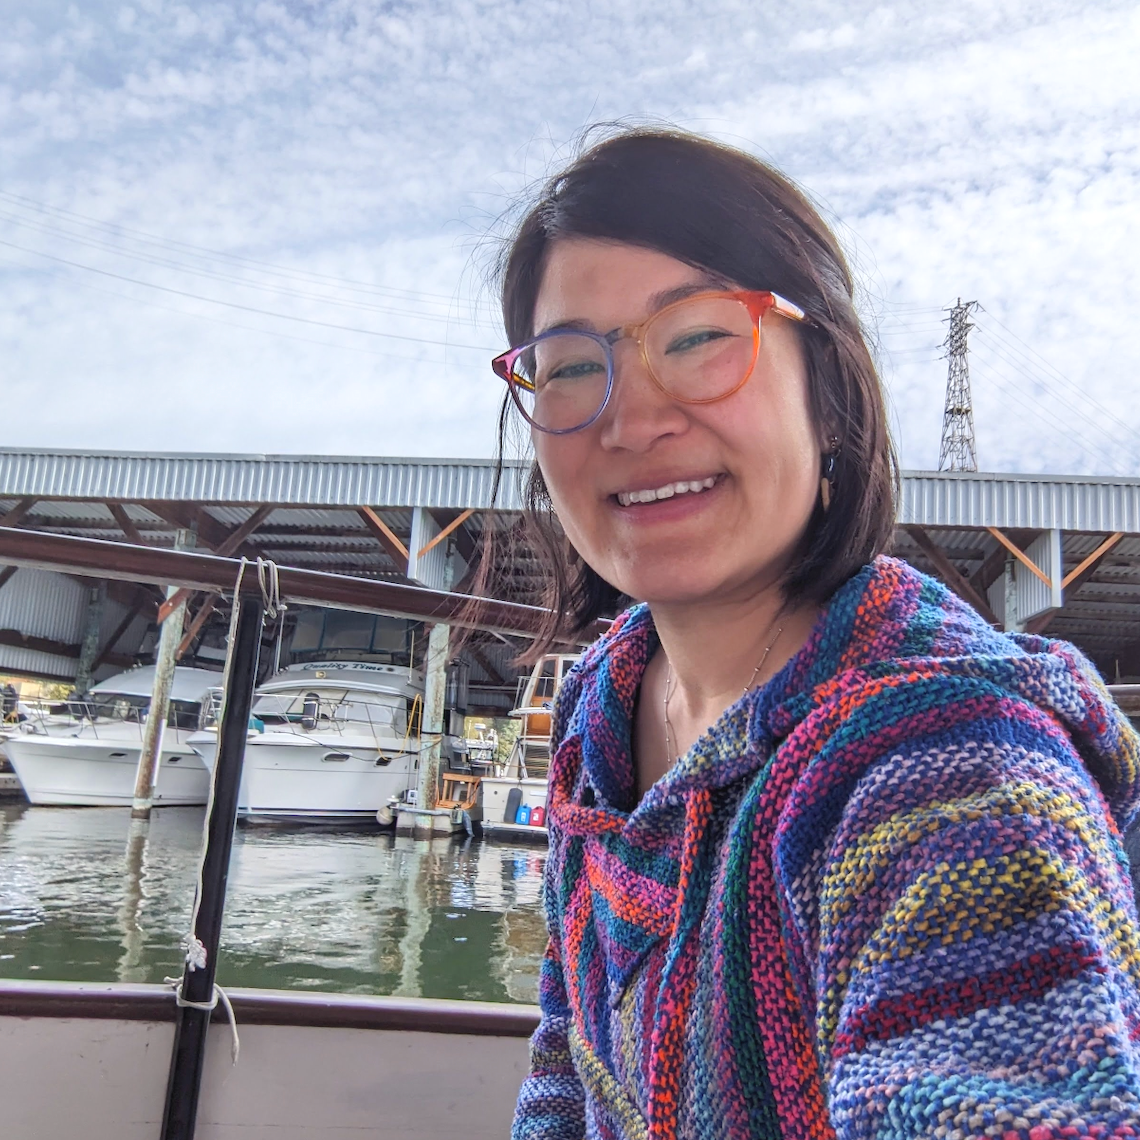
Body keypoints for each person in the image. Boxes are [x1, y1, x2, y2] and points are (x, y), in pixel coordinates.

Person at [487, 128, 1140, 1140]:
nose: (629, 419)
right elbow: (567, 1060)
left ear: (828, 397)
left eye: (699, 337)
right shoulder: (602, 706)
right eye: (571, 365)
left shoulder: (944, 766)